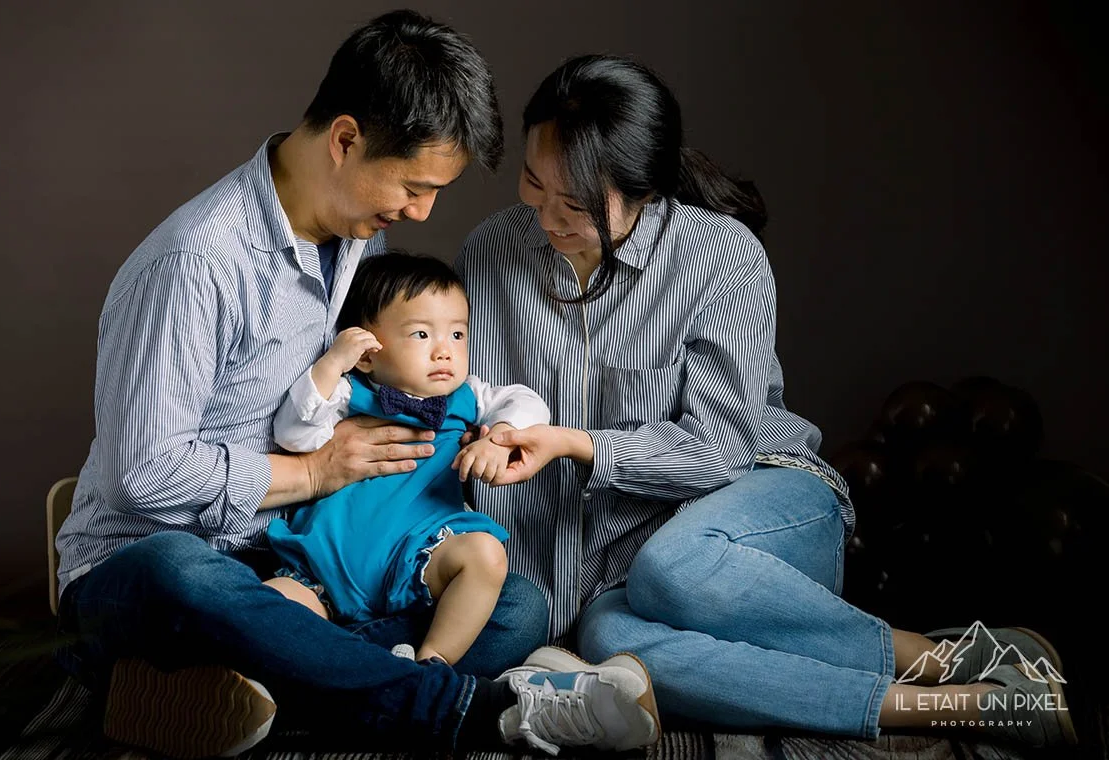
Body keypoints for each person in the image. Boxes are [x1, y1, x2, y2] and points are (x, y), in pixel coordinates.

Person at [52, 17, 660, 758]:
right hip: (158, 568)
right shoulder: (196, 264)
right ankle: (471, 710)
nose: (421, 213)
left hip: (293, 565)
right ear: (345, 140)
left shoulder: (360, 238)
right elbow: (142, 475)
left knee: (516, 605)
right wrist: (313, 470)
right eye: (414, 185)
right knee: (180, 573)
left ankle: (262, 683)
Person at [455, 54, 1077, 749]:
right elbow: (478, 420)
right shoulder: (488, 254)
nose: (544, 216)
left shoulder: (723, 256)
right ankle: (962, 705)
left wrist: (581, 443)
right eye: (534, 184)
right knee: (609, 637)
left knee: (674, 566)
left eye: (575, 204)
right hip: (621, 565)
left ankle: (943, 656)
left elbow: (722, 448)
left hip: (762, 494)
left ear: (645, 191)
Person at [265, 251, 549, 667]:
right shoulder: (349, 393)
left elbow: (526, 401)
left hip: (418, 555)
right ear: (366, 354)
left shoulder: (468, 396)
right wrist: (331, 366)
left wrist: (501, 435)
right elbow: (293, 433)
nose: (444, 352)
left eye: (457, 335)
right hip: (324, 567)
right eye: (421, 335)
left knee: (487, 555)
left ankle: (430, 666)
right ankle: (320, 673)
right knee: (266, 607)